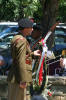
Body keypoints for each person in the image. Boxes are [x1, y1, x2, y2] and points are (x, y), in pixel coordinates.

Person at [7, 18, 41, 100]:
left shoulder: (16, 37)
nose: (32, 29)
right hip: (18, 78)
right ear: (26, 28)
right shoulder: (22, 40)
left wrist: (32, 54)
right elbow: (21, 61)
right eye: (31, 27)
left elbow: (20, 56)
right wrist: (23, 80)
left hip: (15, 76)